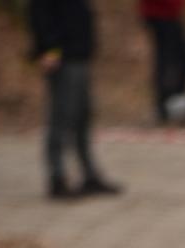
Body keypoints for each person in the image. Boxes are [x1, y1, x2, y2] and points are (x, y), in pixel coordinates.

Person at [28, 0, 123, 200]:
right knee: (61, 118)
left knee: (82, 117)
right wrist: (49, 49)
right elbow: (39, 13)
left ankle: (89, 174)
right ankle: (57, 178)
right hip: (63, 57)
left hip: (80, 54)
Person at [138, 0, 185, 125]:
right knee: (168, 61)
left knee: (184, 59)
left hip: (170, 14)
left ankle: (175, 105)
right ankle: (165, 108)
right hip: (162, 13)